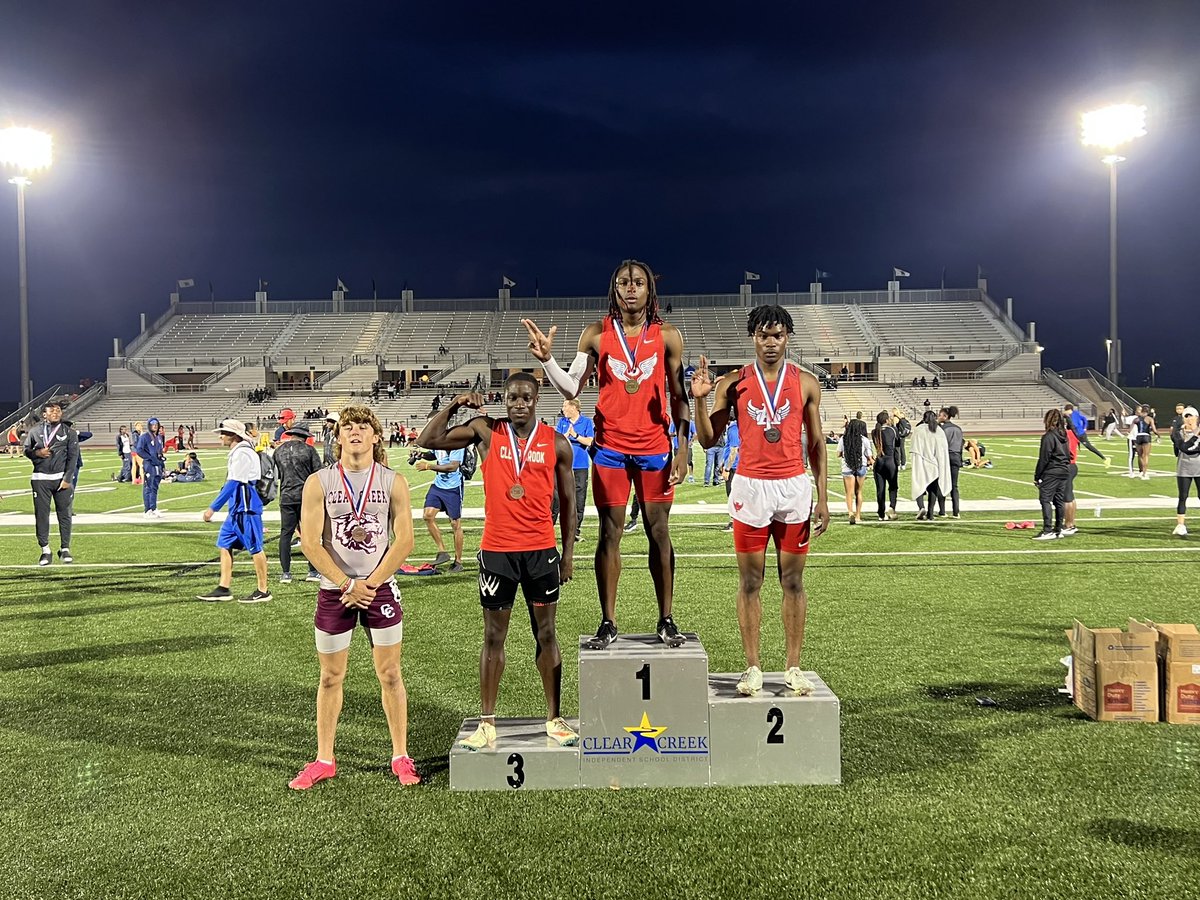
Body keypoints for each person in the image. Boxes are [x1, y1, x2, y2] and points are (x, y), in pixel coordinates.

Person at [522, 258, 691, 649]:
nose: (630, 289)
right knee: (608, 534)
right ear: (614, 290)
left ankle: (666, 618)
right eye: (622, 283)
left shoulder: (668, 336)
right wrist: (548, 360)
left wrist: (683, 447)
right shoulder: (596, 334)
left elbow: (679, 396)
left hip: (655, 449)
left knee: (659, 532)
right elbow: (571, 389)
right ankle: (608, 621)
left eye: (637, 283)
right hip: (610, 449)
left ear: (650, 289)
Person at [418, 375, 579, 750]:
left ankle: (554, 718)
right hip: (497, 552)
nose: (518, 403)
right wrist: (456, 404)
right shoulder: (486, 431)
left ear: (537, 399)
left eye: (525, 397)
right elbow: (427, 440)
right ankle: (487, 722)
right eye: (511, 398)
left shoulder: (557, 443)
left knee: (548, 634)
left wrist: (567, 554)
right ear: (503, 400)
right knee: (493, 637)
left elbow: (571, 504)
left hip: (540, 552)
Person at [691, 305, 830, 696]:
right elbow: (707, 440)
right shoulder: (731, 383)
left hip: (793, 487)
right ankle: (752, 666)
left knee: (793, 581)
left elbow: (817, 443)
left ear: (788, 337)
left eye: (778, 335)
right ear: (753, 338)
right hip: (751, 487)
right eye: (763, 335)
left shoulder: (805, 382)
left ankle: (793, 667)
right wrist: (700, 400)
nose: (770, 342)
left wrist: (822, 496)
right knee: (751, 581)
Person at [289, 406, 420, 789]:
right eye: (349, 427)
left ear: (377, 437)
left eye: (364, 427)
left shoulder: (394, 481)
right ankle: (324, 759)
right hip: (335, 592)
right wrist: (348, 585)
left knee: (391, 673)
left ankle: (400, 755)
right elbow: (310, 543)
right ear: (339, 437)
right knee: (330, 676)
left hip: (378, 589)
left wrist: (370, 584)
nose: (356, 432)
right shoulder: (320, 482)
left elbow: (406, 540)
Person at [196, 420, 272, 603]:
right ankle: (224, 587)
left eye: (224, 432)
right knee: (225, 543)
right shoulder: (239, 452)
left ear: (235, 435)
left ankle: (263, 590)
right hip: (237, 508)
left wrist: (212, 508)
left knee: (255, 547)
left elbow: (233, 483)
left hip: (246, 507)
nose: (221, 436)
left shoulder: (243, 453)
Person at [24, 400, 79, 567]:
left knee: (65, 514)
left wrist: (67, 479)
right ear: (44, 415)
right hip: (40, 479)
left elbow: (73, 457)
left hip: (61, 479)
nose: (56, 413)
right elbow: (26, 450)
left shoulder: (69, 433)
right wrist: (37, 453)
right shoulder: (34, 431)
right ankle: (45, 550)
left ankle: (65, 548)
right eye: (52, 411)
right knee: (42, 516)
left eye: (58, 411)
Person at [274, 423, 324, 584]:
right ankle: (313, 571)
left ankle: (286, 573)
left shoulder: (279, 451)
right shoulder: (309, 450)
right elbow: (318, 473)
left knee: (285, 534)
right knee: (311, 534)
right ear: (304, 436)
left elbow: (277, 475)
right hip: (306, 497)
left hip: (286, 496)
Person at [414, 438, 466, 573]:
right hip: (438, 485)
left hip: (453, 487)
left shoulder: (456, 443)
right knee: (428, 515)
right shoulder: (437, 441)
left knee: (455, 524)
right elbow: (434, 454)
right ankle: (442, 551)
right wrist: (422, 455)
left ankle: (458, 561)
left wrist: (428, 466)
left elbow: (453, 466)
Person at [553, 398, 594, 542]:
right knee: (555, 498)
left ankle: (575, 531)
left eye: (565, 406)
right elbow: (556, 441)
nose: (563, 409)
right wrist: (566, 436)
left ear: (574, 407)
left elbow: (590, 441)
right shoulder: (562, 422)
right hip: (562, 466)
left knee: (579, 500)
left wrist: (575, 435)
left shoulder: (587, 422)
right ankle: (548, 529)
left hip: (580, 466)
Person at [1033, 408, 1070, 540]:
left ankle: (1047, 529)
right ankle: (1058, 529)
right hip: (1064, 470)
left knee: (1045, 500)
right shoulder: (1064, 435)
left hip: (1052, 471)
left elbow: (1044, 457)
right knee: (1059, 501)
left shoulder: (1049, 436)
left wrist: (1037, 476)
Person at [910, 410, 949, 520]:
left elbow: (914, 448)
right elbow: (942, 450)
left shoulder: (919, 430)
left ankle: (921, 507)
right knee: (933, 489)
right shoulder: (939, 430)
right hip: (934, 464)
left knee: (920, 486)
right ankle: (930, 513)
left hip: (922, 463)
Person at [837, 417, 872, 524]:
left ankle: (850, 513)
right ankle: (858, 515)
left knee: (849, 493)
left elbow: (838, 454)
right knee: (859, 492)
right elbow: (869, 456)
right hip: (861, 466)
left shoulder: (843, 439)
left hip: (847, 467)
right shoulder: (864, 440)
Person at [1174, 406, 1200, 536]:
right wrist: (1195, 436)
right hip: (1183, 469)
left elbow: (1195, 449)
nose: (1189, 419)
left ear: (1197, 417)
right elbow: (1183, 448)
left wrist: (1192, 440)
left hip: (1199, 468)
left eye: (1191, 416)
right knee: (1183, 496)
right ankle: (1180, 525)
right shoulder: (1178, 432)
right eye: (1187, 416)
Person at [135, 417, 167, 518]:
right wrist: (149, 458)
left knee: (155, 487)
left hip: (157, 464)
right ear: (149, 426)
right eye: (153, 425)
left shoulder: (159, 437)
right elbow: (139, 450)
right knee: (148, 487)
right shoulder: (144, 437)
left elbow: (160, 451)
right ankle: (147, 510)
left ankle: (153, 508)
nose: (155, 426)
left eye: (156, 425)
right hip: (149, 464)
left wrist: (162, 463)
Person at [871, 411, 899, 521]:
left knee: (880, 489)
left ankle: (881, 513)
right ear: (887, 420)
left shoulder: (875, 431)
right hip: (890, 460)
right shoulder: (892, 429)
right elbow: (897, 443)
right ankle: (892, 507)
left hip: (879, 461)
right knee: (893, 487)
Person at [937, 406, 964, 518]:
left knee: (942, 484)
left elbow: (939, 446)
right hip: (956, 456)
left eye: (940, 415)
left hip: (945, 457)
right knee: (954, 485)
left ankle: (942, 511)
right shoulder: (958, 428)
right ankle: (956, 511)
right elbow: (961, 445)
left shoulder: (942, 429)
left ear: (945, 416)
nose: (938, 417)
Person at [1132, 405, 1156, 480]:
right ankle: (1144, 473)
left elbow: (1130, 428)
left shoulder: (1136, 419)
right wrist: (1158, 435)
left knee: (1140, 455)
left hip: (1138, 436)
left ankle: (1141, 471)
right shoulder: (1149, 419)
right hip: (1146, 436)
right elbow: (1154, 430)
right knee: (1146, 455)